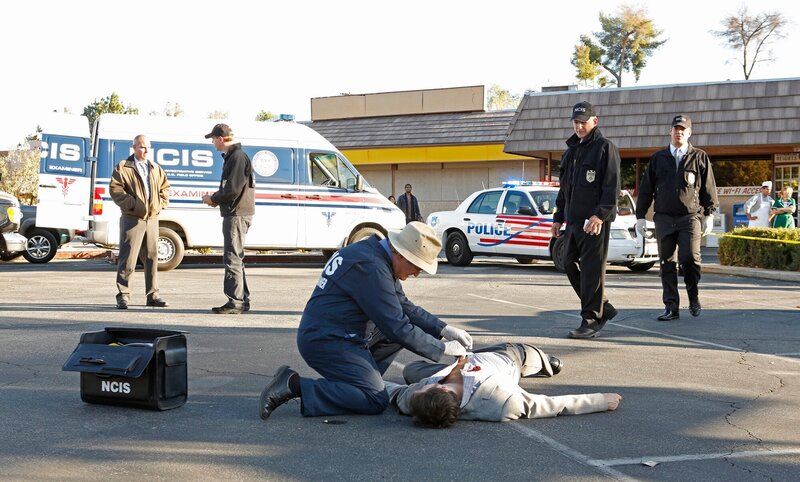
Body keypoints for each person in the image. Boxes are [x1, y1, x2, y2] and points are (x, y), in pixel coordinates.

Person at [258, 222, 474, 419]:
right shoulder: (371, 267)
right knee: (374, 399)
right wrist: (442, 348)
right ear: (401, 254)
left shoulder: (375, 256)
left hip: (338, 333)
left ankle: (359, 384)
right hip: (326, 341)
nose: (417, 273)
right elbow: (397, 325)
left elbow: (404, 307)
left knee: (396, 341)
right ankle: (294, 385)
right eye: (417, 267)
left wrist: (444, 329)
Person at [385, 343, 621, 427]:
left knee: (410, 371)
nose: (420, 387)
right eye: (424, 387)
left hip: (462, 360)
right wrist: (601, 400)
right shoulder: (501, 401)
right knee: (541, 360)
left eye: (422, 387)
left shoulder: (414, 400)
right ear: (443, 390)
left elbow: (390, 390)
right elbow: (549, 404)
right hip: (506, 356)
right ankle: (546, 361)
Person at [635, 115, 718, 321]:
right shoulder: (658, 158)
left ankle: (693, 296)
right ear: (670, 132)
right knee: (667, 263)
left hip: (690, 217)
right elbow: (646, 189)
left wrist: (710, 214)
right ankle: (671, 307)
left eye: (683, 129)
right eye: (675, 128)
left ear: (689, 133)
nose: (679, 132)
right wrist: (640, 217)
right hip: (664, 218)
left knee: (689, 259)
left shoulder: (699, 157)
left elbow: (709, 187)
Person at [552, 101, 621, 339]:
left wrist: (599, 215)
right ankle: (603, 306)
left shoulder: (605, 148)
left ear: (595, 121)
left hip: (594, 223)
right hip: (572, 222)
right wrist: (557, 217)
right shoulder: (570, 152)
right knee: (568, 263)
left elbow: (611, 187)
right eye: (576, 122)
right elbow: (564, 190)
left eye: (583, 122)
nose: (579, 126)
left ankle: (591, 319)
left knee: (592, 271)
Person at [109, 135, 170, 310]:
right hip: (132, 218)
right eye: (142, 147)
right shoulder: (123, 167)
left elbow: (165, 188)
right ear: (134, 148)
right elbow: (115, 189)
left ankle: (153, 295)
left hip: (152, 219)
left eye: (148, 147)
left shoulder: (156, 168)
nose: (146, 150)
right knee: (128, 257)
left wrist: (159, 205)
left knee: (152, 256)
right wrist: (133, 205)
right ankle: (124, 295)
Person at [201, 124, 255, 314]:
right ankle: (242, 299)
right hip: (237, 212)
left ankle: (235, 301)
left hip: (236, 214)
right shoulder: (234, 157)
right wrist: (217, 198)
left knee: (232, 257)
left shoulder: (237, 158)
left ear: (220, 139)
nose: (213, 143)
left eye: (213, 139)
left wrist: (213, 199)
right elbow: (231, 188)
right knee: (236, 257)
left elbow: (232, 190)